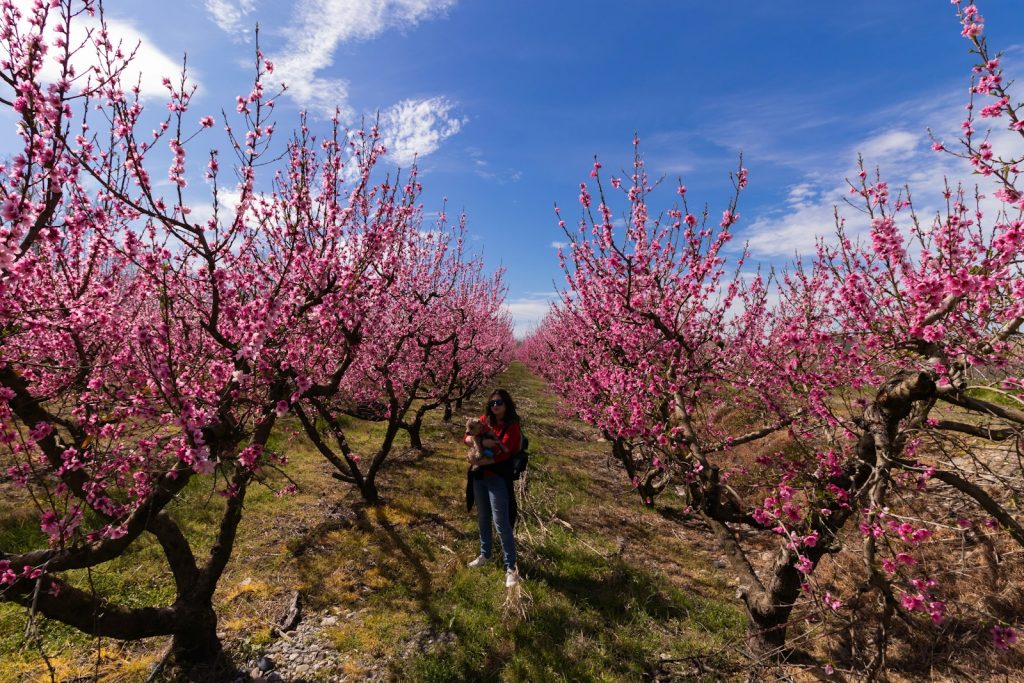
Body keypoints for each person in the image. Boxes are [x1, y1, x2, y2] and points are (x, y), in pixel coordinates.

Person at [464, 388, 521, 587]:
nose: (495, 406)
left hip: (497, 477)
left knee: (501, 522)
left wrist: (479, 461)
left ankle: (511, 567)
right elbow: (466, 436)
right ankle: (485, 554)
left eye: (499, 403)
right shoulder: (482, 420)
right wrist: (473, 439)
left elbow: (505, 454)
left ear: (507, 405)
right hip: (479, 477)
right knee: (483, 517)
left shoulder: (512, 426)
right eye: (492, 403)